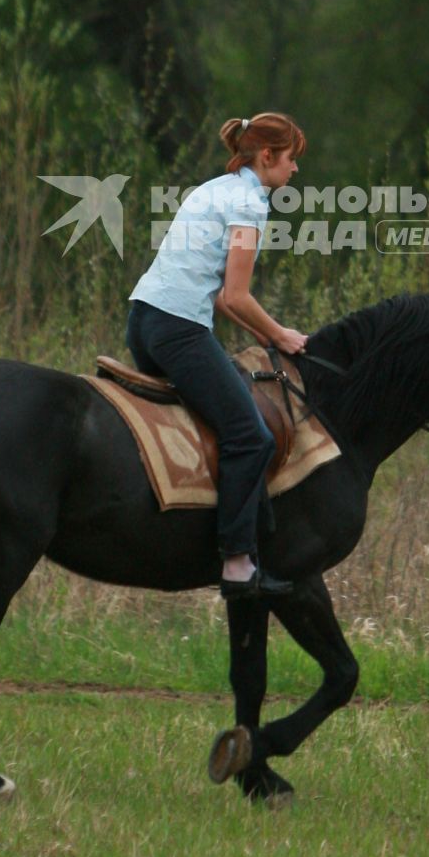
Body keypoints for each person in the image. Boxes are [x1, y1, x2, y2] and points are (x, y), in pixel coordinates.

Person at [127, 112, 308, 599]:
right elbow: (238, 296)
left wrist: (265, 337)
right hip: (178, 330)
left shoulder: (213, 187)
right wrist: (283, 337)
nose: (295, 171)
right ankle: (236, 565)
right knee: (251, 437)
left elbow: (227, 301)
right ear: (268, 157)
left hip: (142, 323)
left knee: (233, 408)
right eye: (292, 160)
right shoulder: (250, 204)